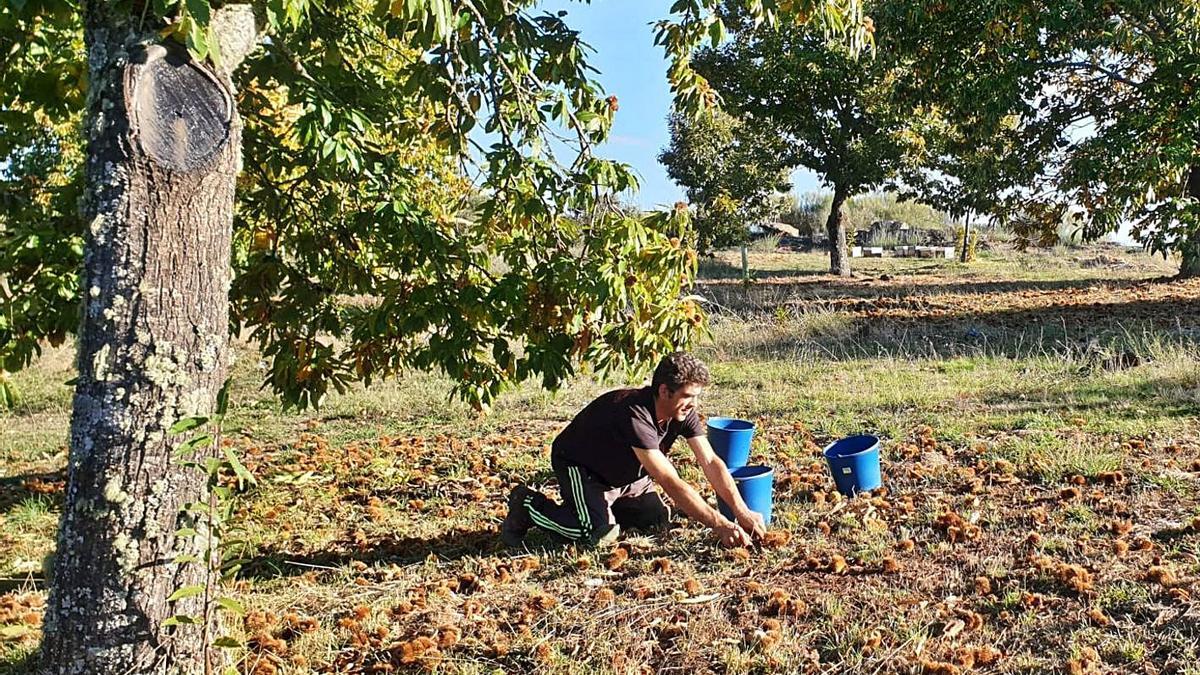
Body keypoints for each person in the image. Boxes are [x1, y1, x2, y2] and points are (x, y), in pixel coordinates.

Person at [500, 352, 767, 548]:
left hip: (629, 476)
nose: (693, 405)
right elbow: (669, 481)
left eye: (697, 397)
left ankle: (610, 506)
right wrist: (720, 524)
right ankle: (528, 504)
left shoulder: (683, 413)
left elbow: (710, 461)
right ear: (664, 391)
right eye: (688, 397)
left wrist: (741, 512)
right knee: (594, 533)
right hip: (583, 469)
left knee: (655, 519)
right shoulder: (635, 414)